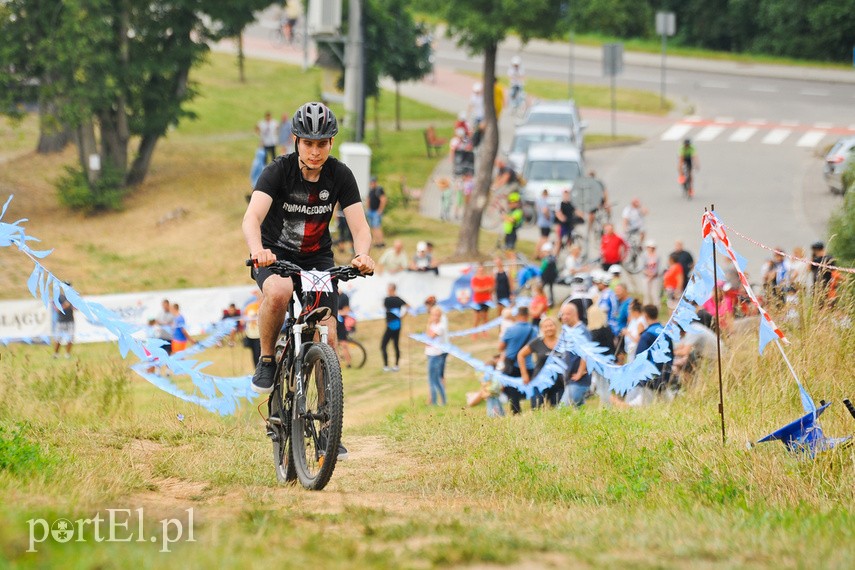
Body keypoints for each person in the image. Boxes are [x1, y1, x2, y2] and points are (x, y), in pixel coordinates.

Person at [242, 101, 375, 397]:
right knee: (278, 292)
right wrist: (257, 250)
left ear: (331, 143)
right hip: (275, 254)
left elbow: (360, 226)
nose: (315, 152)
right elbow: (252, 217)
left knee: (327, 334)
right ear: (295, 141)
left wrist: (362, 254)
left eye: (322, 144)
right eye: (308, 144)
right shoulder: (278, 171)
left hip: (317, 259)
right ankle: (266, 359)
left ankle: (329, 426)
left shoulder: (340, 175)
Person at [498, 306, 538, 414]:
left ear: (518, 315)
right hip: (528, 364)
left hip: (512, 365)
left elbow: (501, 347)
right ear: (527, 315)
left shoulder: (511, 329)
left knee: (512, 390)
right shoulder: (534, 330)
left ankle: (516, 411)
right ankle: (535, 409)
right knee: (530, 388)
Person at [518, 316, 561, 408]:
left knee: (559, 411)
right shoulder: (537, 342)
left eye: (551, 325)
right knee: (537, 409)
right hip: (539, 382)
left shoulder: (563, 342)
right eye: (545, 326)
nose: (549, 328)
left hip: (558, 382)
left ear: (556, 327)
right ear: (541, 329)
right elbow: (521, 355)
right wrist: (524, 374)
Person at [558, 302, 591, 407]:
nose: (564, 317)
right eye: (562, 314)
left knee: (563, 411)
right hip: (570, 379)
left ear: (575, 314)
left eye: (567, 314)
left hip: (578, 381)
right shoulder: (567, 330)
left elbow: (586, 353)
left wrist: (580, 372)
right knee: (579, 413)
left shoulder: (581, 330)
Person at [586, 306, 615, 407]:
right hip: (609, 361)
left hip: (599, 362)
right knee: (605, 385)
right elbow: (612, 346)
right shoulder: (607, 329)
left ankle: (606, 406)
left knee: (602, 386)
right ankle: (606, 405)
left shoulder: (593, 333)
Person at [425, 306, 449, 406]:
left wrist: (428, 325)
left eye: (436, 315)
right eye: (433, 315)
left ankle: (434, 402)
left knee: (433, 379)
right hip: (430, 353)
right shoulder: (433, 325)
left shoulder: (440, 327)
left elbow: (430, 336)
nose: (434, 317)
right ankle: (443, 400)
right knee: (435, 379)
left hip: (436, 355)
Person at [381, 283, 408, 372]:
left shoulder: (387, 299)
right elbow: (408, 306)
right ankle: (396, 366)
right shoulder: (398, 299)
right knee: (395, 345)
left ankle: (386, 366)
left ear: (391, 289)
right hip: (398, 324)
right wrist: (402, 316)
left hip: (391, 325)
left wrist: (401, 315)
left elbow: (385, 308)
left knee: (383, 345)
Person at [470, 262, 495, 332]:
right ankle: (474, 332)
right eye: (479, 269)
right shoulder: (474, 279)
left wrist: (482, 289)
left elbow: (491, 289)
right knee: (476, 318)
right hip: (477, 300)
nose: (481, 271)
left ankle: (485, 332)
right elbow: (476, 290)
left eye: (482, 269)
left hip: (486, 300)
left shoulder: (488, 278)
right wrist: (485, 288)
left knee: (485, 317)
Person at [52, 286, 75, 359]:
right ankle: (56, 354)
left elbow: (76, 307)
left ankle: (68, 354)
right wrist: (65, 305)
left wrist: (70, 305)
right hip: (61, 321)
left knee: (70, 338)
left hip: (70, 321)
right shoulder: (60, 297)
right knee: (58, 338)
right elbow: (57, 309)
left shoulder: (72, 297)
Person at [366, 176, 387, 248]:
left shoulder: (379, 189)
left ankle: (381, 242)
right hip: (371, 211)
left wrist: (380, 210)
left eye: (373, 182)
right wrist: (368, 209)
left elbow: (383, 199)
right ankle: (376, 242)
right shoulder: (371, 190)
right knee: (373, 227)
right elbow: (368, 199)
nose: (372, 183)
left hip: (376, 212)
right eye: (371, 182)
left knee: (377, 227)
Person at [243, 292, 262, 368]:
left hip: (260, 335)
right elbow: (244, 318)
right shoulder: (250, 307)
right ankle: (256, 368)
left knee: (259, 353)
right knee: (254, 353)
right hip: (251, 334)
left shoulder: (264, 307)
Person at [535, 189, 554, 254]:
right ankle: (540, 254)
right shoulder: (543, 201)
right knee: (544, 239)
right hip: (545, 222)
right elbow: (544, 210)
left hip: (541, 221)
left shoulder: (538, 200)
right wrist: (548, 217)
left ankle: (537, 253)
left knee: (542, 238)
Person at [643, 240, 661, 306]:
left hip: (654, 278)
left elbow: (658, 268)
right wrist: (648, 274)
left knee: (654, 293)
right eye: (649, 247)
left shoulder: (657, 256)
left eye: (652, 247)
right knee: (646, 293)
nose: (650, 249)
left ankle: (657, 307)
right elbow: (643, 267)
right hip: (646, 277)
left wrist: (652, 275)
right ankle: (646, 307)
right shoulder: (645, 256)